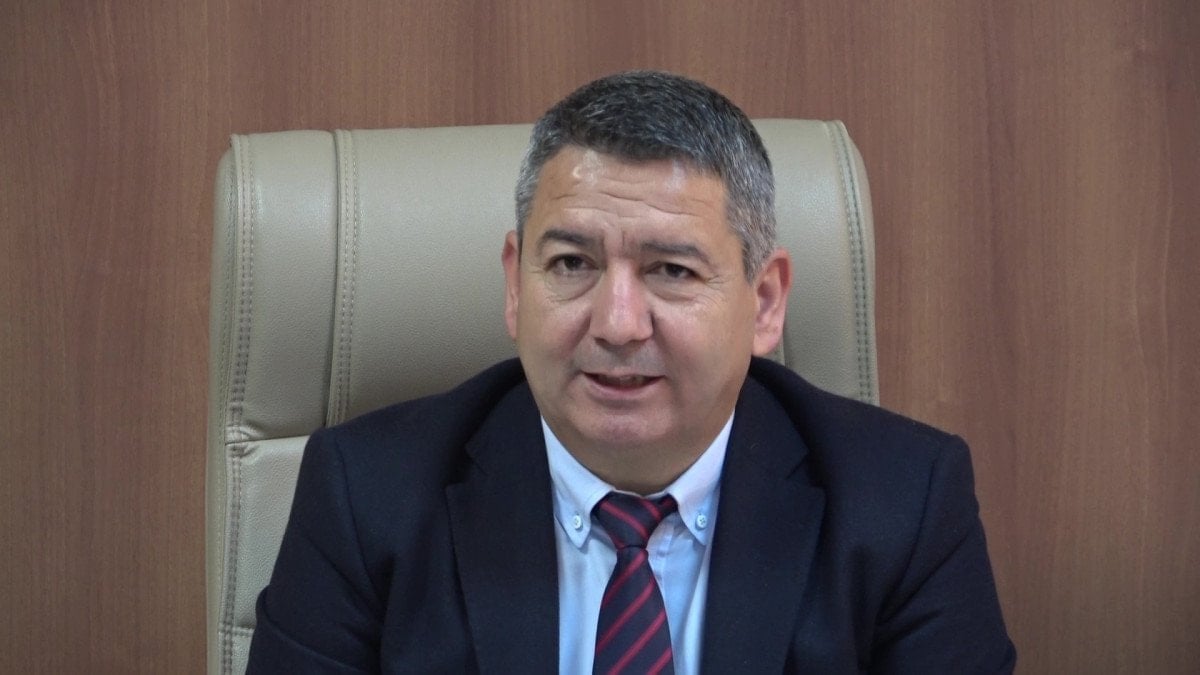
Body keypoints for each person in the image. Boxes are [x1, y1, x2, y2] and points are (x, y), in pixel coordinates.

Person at [247, 70, 1016, 673]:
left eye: (672, 271)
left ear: (765, 301)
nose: (617, 324)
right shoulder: (366, 495)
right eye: (572, 263)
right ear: (515, 285)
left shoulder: (902, 505)